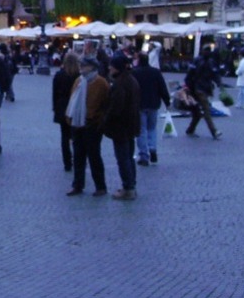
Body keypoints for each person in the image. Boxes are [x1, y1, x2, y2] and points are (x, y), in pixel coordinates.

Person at [65, 56, 110, 197]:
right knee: (78, 156)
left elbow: (106, 104)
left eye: (84, 65)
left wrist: (98, 119)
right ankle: (77, 184)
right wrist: (69, 118)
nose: (81, 68)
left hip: (92, 124)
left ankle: (100, 186)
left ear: (92, 67)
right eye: (81, 65)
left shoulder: (101, 83)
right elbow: (72, 99)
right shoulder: (78, 81)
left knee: (94, 156)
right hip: (77, 123)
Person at [105, 52, 141, 201]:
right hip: (131, 124)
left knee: (123, 158)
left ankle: (128, 188)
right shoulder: (132, 80)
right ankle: (131, 185)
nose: (109, 68)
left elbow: (116, 107)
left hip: (121, 126)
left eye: (112, 66)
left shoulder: (120, 84)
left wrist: (106, 119)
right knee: (129, 157)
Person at [132, 51, 170, 166]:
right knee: (152, 128)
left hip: (140, 105)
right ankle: (152, 148)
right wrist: (167, 101)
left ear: (139, 60)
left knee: (141, 130)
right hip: (154, 104)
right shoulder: (155, 72)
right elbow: (162, 87)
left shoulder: (135, 73)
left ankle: (144, 155)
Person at [184, 45, 223, 139]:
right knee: (206, 110)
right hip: (197, 88)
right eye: (206, 50)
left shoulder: (211, 62)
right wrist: (187, 87)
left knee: (197, 113)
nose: (207, 52)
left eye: (209, 50)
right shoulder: (197, 61)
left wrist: (219, 83)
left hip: (204, 88)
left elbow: (215, 74)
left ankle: (190, 130)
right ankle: (214, 131)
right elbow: (189, 74)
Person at [51, 51, 80, 172]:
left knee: (64, 136)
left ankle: (67, 162)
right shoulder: (79, 76)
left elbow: (55, 93)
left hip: (63, 107)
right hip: (76, 107)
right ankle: (78, 160)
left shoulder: (59, 75)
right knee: (77, 136)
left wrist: (55, 107)